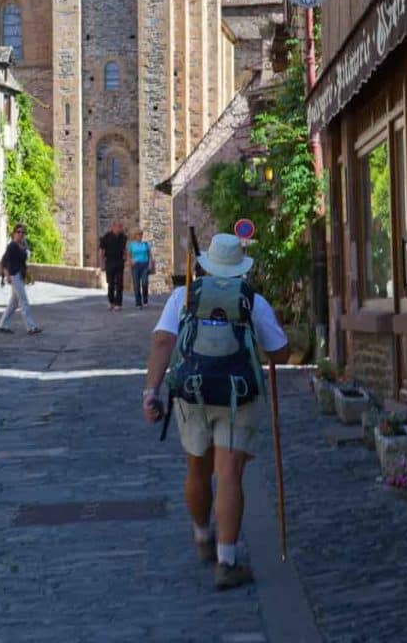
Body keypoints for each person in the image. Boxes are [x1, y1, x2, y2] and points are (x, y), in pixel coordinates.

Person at [142, 232, 290, 590]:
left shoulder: (184, 296)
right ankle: (226, 562)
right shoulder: (253, 301)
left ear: (207, 265)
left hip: (192, 394)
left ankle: (202, 535)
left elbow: (163, 341)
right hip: (239, 396)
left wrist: (151, 391)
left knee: (197, 466)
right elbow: (281, 353)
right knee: (229, 473)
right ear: (241, 268)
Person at [0, 224, 42, 335]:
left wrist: (28, 274)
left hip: (19, 275)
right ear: (14, 233)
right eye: (19, 232)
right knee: (24, 301)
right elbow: (4, 261)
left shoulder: (20, 246)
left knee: (14, 303)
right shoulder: (12, 246)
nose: (21, 234)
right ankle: (31, 327)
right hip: (14, 275)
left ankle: (3, 324)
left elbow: (22, 262)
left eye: (23, 232)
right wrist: (7, 275)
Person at [98, 220, 127, 310]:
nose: (120, 228)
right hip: (109, 262)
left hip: (119, 262)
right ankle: (111, 302)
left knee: (119, 283)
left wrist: (126, 257)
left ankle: (118, 303)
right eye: (119, 226)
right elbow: (101, 251)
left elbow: (124, 249)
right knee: (110, 283)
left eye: (121, 226)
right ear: (113, 227)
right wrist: (101, 264)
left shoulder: (123, 237)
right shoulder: (106, 237)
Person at [127, 228, 152, 308]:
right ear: (135, 236)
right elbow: (129, 255)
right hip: (135, 266)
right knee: (136, 284)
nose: (140, 236)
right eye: (138, 235)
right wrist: (130, 261)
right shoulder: (132, 245)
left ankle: (145, 299)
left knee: (145, 283)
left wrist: (150, 264)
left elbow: (150, 255)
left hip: (144, 265)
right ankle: (138, 303)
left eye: (141, 235)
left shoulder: (145, 244)